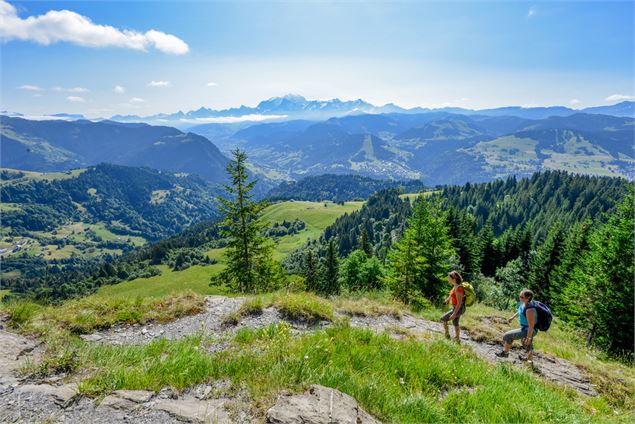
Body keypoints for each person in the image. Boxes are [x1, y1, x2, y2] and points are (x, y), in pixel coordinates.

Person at [495, 288, 538, 363]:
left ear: (528, 298)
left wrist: (528, 337)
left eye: (522, 297)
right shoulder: (523, 303)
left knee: (507, 336)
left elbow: (531, 325)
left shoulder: (530, 310)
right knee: (526, 343)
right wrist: (512, 318)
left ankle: (505, 353)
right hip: (525, 328)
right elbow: (519, 311)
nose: (520, 298)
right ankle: (529, 360)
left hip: (529, 329)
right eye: (520, 296)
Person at [441, 270, 465, 342]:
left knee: (443, 318)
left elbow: (459, 303)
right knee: (455, 323)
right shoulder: (455, 286)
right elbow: (451, 294)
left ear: (454, 278)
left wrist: (454, 313)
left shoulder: (459, 288)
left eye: (449, 278)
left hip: (458, 308)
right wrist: (447, 300)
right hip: (456, 308)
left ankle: (447, 335)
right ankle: (457, 338)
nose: (448, 279)